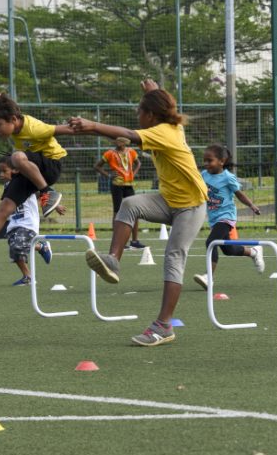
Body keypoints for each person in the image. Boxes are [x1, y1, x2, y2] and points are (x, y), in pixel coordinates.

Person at [69, 79, 208, 347]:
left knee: (173, 256)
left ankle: (163, 326)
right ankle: (112, 260)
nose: (137, 117)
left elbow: (129, 135)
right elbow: (166, 106)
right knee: (130, 204)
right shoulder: (170, 124)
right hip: (169, 200)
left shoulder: (164, 132)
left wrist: (93, 126)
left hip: (191, 206)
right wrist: (153, 93)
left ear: (151, 116)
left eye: (139, 112)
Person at [0, 92, 74, 267]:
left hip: (51, 164)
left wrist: (91, 126)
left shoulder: (35, 128)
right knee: (5, 207)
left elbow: (68, 129)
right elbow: (9, 108)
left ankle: (48, 192)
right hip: (33, 168)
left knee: (16, 157)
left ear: (12, 119)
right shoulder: (15, 123)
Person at [192, 144, 264, 290]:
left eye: (209, 160)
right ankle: (254, 251)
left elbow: (239, 194)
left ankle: (209, 277)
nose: (206, 164)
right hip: (214, 218)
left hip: (226, 217)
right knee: (229, 249)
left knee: (211, 242)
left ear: (221, 161)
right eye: (204, 161)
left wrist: (251, 205)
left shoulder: (228, 178)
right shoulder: (204, 175)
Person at [0, 156, 63, 286]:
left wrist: (56, 205)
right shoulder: (7, 186)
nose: (1, 175)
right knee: (15, 251)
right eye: (0, 171)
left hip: (28, 222)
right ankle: (28, 275)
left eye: (4, 171)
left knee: (18, 246)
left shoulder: (26, 182)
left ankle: (41, 248)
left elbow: (43, 191)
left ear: (15, 170)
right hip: (13, 223)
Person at [94, 136, 146, 249]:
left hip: (129, 185)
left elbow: (139, 163)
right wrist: (108, 175)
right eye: (116, 142)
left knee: (135, 211)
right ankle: (117, 241)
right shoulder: (109, 153)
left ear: (124, 143)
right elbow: (97, 166)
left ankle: (135, 240)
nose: (118, 144)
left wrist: (134, 173)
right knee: (117, 212)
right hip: (116, 185)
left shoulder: (131, 152)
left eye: (120, 142)